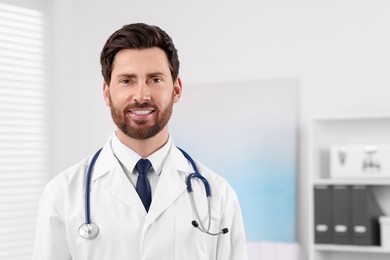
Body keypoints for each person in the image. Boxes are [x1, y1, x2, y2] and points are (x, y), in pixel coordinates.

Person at [32, 23, 248, 260]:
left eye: (155, 79)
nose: (142, 96)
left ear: (176, 89)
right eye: (127, 81)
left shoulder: (218, 195)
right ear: (106, 92)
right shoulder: (62, 195)